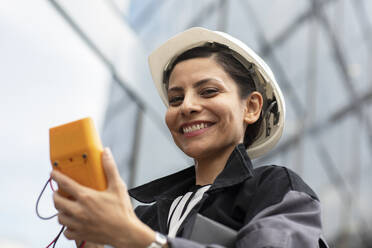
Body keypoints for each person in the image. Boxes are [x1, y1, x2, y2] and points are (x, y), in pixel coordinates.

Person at [51, 27, 328, 248]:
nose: (187, 106)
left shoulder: (275, 188)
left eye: (208, 91)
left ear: (251, 107)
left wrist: (142, 240)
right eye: (175, 99)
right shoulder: (145, 217)